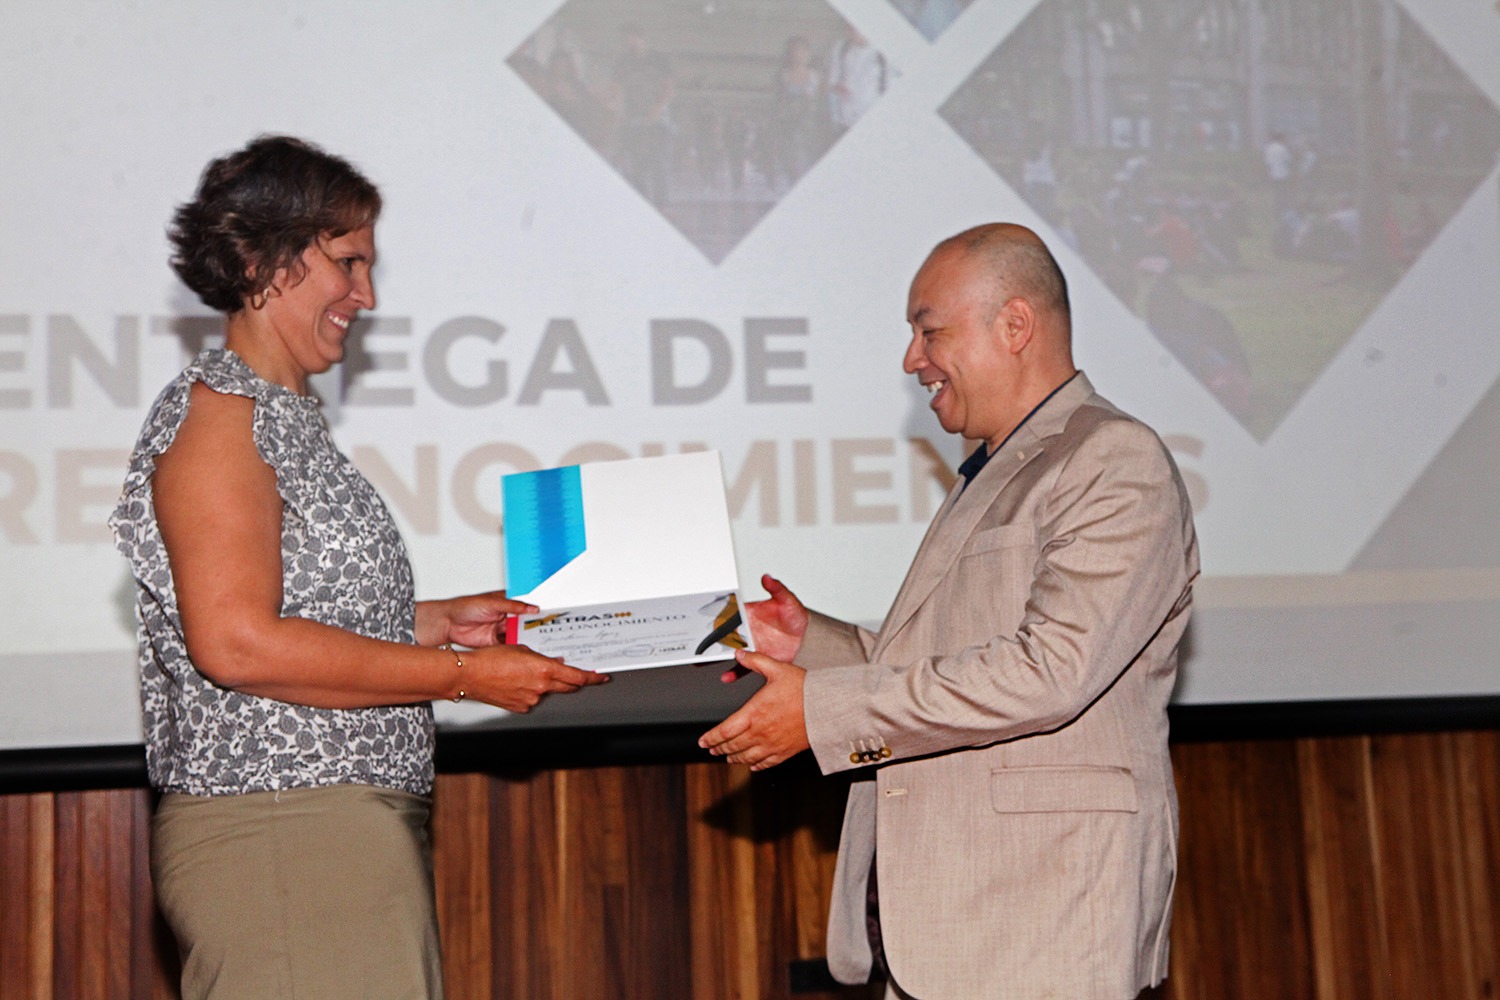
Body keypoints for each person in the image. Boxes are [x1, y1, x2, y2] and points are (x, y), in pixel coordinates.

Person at [109, 135, 608, 1000]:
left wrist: (442, 623)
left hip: (322, 830)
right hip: (285, 829)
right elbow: (236, 644)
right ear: (264, 260)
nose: (366, 295)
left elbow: (299, 617)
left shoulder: (278, 416)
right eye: (347, 263)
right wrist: (463, 677)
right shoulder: (223, 417)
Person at [700, 223, 1198, 999]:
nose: (912, 359)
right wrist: (812, 647)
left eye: (929, 331)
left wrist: (822, 713)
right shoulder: (998, 467)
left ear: (1015, 325)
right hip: (962, 931)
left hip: (1042, 927)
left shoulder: (1110, 458)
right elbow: (948, 663)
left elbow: (1051, 672)